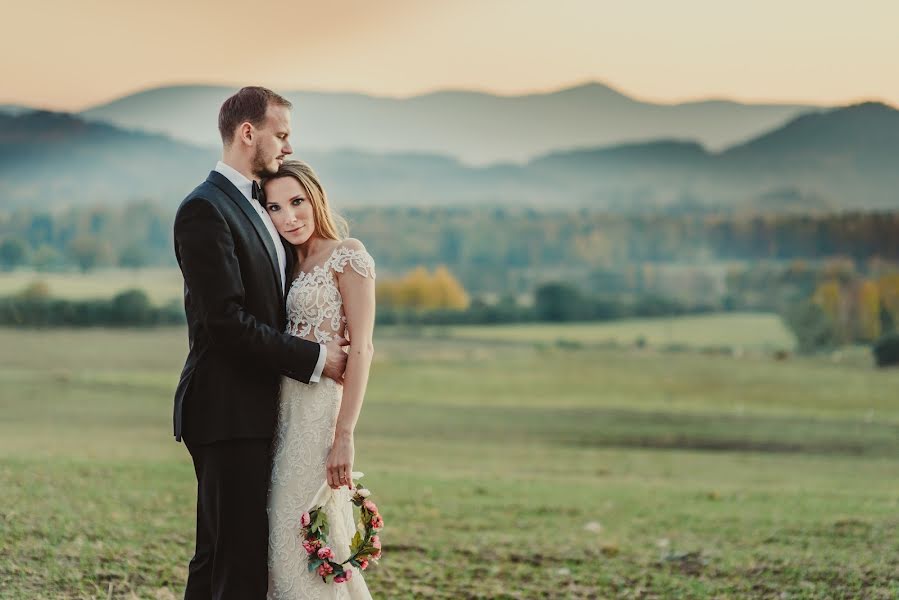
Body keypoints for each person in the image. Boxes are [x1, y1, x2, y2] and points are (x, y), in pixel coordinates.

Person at [173, 86, 349, 600]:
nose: (288, 147)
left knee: (220, 557)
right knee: (238, 562)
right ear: (248, 133)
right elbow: (225, 322)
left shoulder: (256, 206)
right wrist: (317, 358)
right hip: (226, 410)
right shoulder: (205, 209)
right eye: (282, 134)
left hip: (257, 409)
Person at [263, 159, 376, 599]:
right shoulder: (283, 262)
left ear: (316, 198)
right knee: (278, 538)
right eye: (274, 208)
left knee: (298, 531)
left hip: (318, 417)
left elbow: (363, 349)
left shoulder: (348, 253)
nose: (288, 217)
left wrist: (344, 435)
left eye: (296, 201)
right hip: (279, 411)